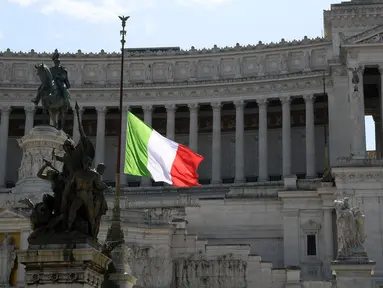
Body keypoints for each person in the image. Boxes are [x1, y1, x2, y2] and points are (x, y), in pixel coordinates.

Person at [61, 157, 109, 236]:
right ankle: (69, 228)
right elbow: (71, 183)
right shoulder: (78, 173)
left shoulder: (94, 174)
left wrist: (106, 187)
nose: (87, 164)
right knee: (72, 210)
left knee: (91, 215)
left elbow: (99, 184)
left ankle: (92, 232)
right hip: (79, 194)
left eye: (88, 163)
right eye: (86, 162)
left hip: (88, 195)